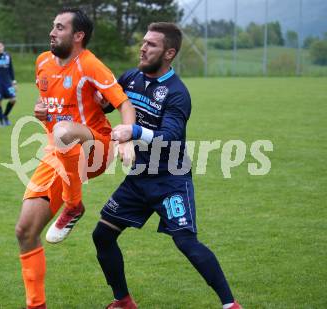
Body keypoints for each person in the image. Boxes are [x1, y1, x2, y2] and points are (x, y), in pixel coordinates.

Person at [92, 22, 243, 309]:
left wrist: (133, 132)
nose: (143, 47)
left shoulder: (176, 93)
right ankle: (123, 300)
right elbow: (107, 105)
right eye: (144, 41)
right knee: (103, 235)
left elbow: (169, 137)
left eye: (152, 44)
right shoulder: (131, 77)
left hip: (169, 179)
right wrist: (94, 100)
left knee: (186, 242)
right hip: (138, 179)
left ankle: (230, 305)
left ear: (169, 53)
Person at [15, 8, 135, 309]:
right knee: (25, 231)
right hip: (58, 153)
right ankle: (36, 305)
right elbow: (47, 105)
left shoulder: (90, 65)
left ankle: (73, 205)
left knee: (65, 131)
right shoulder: (42, 62)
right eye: (52, 26)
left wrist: (127, 139)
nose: (52, 32)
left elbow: (124, 103)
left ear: (78, 36)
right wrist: (40, 110)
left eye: (59, 27)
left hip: (96, 147)